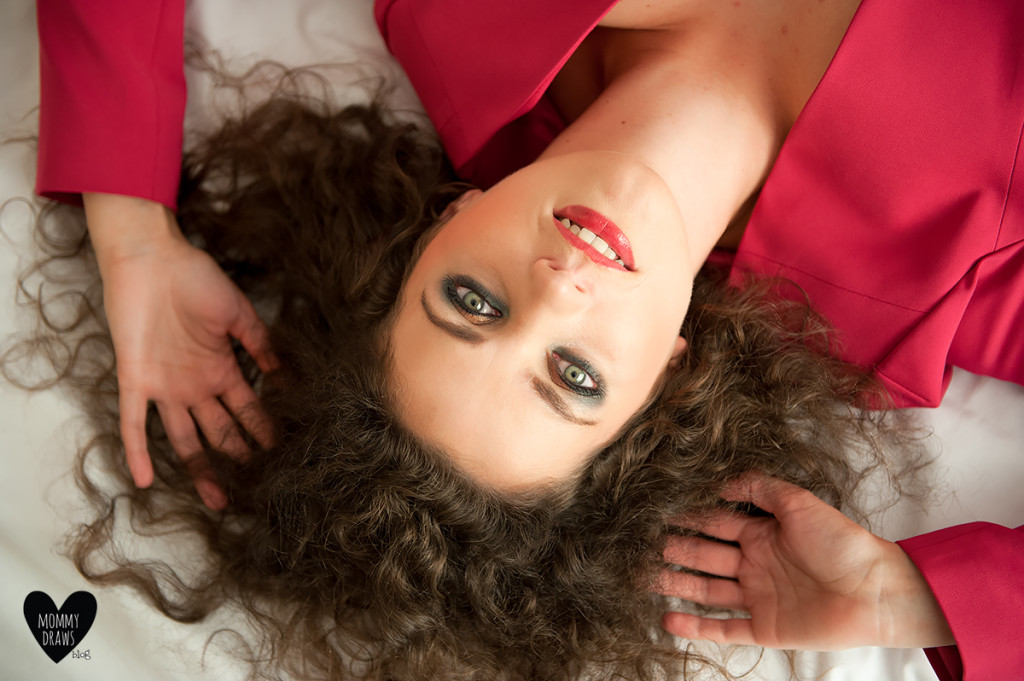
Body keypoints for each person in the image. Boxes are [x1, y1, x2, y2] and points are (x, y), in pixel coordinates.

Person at [30, 0, 1024, 679]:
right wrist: (907, 597)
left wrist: (133, 232)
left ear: (442, 225)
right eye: (574, 376)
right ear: (663, 384)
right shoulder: (957, 291)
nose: (554, 293)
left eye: (470, 302)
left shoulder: (457, 18)